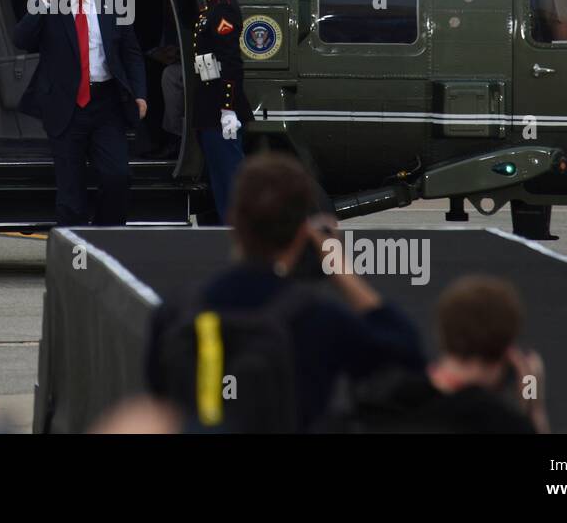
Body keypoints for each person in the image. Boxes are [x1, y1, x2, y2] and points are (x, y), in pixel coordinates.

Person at [145, 153, 424, 432]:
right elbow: (407, 356)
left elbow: (159, 397)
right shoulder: (318, 318)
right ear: (302, 233)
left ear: (234, 221)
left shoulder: (177, 311)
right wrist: (339, 269)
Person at [13, 0, 147, 226]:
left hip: (106, 103)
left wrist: (140, 94)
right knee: (70, 190)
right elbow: (21, 39)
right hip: (65, 107)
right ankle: (74, 256)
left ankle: (107, 241)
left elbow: (131, 52)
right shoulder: (48, 6)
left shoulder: (114, 2)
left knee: (117, 176)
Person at [336, 276, 547, 433]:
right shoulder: (504, 424)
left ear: (442, 335)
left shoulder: (379, 402)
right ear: (508, 351)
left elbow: (379, 314)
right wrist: (532, 408)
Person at [184, 0, 252, 224]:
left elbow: (231, 63)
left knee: (231, 181)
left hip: (221, 110)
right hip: (209, 107)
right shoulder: (211, 7)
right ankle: (228, 237)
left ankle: (239, 237)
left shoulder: (223, 9)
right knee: (220, 180)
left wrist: (227, 109)